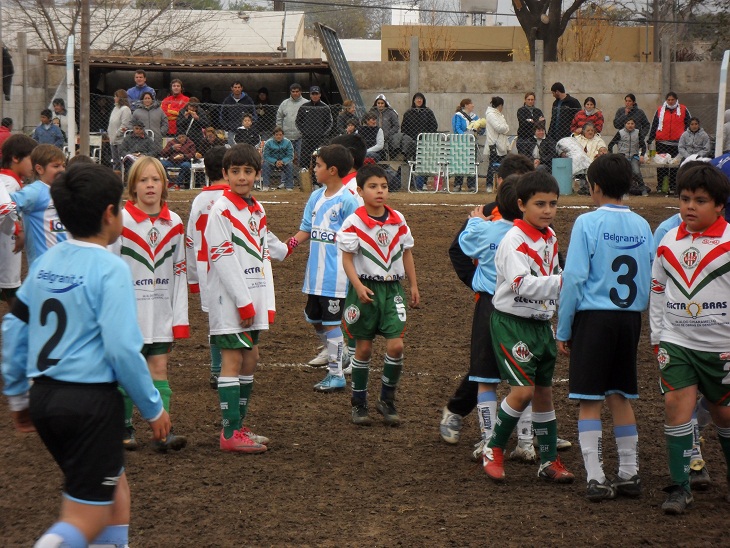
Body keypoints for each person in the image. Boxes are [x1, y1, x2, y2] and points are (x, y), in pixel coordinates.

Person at [1, 162, 171, 547]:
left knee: (114, 494)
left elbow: (13, 326)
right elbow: (122, 350)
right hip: (89, 403)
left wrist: (18, 397)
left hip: (45, 398)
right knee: (85, 518)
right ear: (110, 213)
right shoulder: (110, 268)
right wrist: (152, 407)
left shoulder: (46, 261)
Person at [556, 154, 653, 502]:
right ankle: (629, 473)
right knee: (621, 395)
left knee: (589, 399)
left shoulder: (587, 222)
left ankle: (596, 477)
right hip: (629, 320)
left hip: (595, 318)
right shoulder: (643, 225)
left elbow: (574, 278)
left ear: (594, 187)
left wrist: (564, 328)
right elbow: (649, 274)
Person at [483, 170, 574, 485]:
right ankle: (493, 448)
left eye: (553, 203)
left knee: (544, 394)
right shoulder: (514, 240)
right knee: (522, 392)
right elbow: (520, 284)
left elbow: (554, 276)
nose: (548, 210)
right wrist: (564, 282)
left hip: (541, 325)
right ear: (521, 204)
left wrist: (563, 315)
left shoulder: (550, 237)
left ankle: (549, 460)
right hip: (513, 324)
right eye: (540, 204)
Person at [649, 163, 730, 514]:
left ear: (720, 205)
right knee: (675, 407)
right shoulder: (668, 240)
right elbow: (657, 289)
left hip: (721, 347)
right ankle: (680, 488)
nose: (690, 206)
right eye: (684, 199)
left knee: (724, 415)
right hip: (677, 341)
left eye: (700, 200)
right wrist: (657, 335)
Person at [110, 156, 189, 452]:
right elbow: (110, 267)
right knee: (125, 372)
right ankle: (123, 428)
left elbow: (180, 270)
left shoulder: (175, 223)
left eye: (155, 179)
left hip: (161, 312)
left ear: (164, 184)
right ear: (132, 186)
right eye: (143, 180)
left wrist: (179, 316)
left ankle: (162, 433)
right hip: (129, 314)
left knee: (159, 369)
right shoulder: (121, 220)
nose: (150, 185)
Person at [458, 176, 537, 469]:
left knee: (485, 378)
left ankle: (489, 440)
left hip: (491, 307)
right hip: (525, 307)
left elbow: (465, 244)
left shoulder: (487, 230)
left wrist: (475, 221)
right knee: (524, 377)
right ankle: (526, 442)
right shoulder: (536, 236)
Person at [205, 144, 276, 453]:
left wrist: (264, 302)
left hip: (252, 297)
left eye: (248, 171)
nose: (242, 177)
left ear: (257, 174)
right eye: (235, 171)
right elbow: (222, 257)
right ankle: (230, 432)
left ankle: (239, 426)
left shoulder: (257, 210)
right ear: (225, 174)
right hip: (230, 300)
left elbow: (263, 254)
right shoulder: (220, 210)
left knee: (251, 358)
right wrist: (243, 301)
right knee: (233, 360)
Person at [338, 163, 420, 425]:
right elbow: (347, 259)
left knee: (396, 346)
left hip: (393, 289)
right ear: (360, 191)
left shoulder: (398, 219)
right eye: (373, 186)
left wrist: (413, 285)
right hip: (365, 289)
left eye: (383, 186)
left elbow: (407, 253)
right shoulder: (353, 222)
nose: (380, 191)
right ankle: (359, 402)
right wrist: (357, 286)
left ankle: (387, 399)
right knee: (363, 349)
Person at [286, 144, 359, 390]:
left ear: (333, 170)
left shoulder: (348, 201)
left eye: (318, 165)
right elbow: (306, 228)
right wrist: (288, 246)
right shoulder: (315, 197)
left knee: (331, 323)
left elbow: (358, 237)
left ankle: (336, 375)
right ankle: (339, 352)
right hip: (314, 274)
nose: (314, 169)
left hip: (336, 276)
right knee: (314, 318)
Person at [187, 147, 229, 390]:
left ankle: (216, 369)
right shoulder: (232, 199)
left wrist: (193, 278)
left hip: (206, 268)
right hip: (232, 267)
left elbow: (190, 240)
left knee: (215, 319)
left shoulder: (199, 201)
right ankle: (233, 367)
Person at [11, 144, 67, 267]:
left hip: (65, 261)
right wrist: (17, 229)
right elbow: (7, 205)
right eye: (56, 166)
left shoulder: (62, 190)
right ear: (39, 169)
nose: (62, 170)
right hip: (43, 265)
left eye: (63, 165)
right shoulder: (35, 192)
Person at [0, 135, 36, 310]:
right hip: (5, 246)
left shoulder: (11, 181)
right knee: (11, 289)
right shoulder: (8, 183)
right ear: (15, 158)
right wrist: (17, 229)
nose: (35, 165)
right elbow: (4, 209)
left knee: (10, 289)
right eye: (31, 159)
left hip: (7, 246)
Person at [648, 91, 691, 193]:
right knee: (661, 164)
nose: (670, 101)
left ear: (676, 100)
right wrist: (650, 138)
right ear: (666, 100)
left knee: (675, 165)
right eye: (668, 100)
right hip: (662, 143)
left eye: (672, 100)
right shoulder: (660, 110)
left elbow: (688, 124)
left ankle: (672, 186)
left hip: (677, 143)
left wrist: (686, 138)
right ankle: (660, 186)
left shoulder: (683, 109)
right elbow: (654, 124)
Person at [608, 117, 649, 196]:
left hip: (634, 156)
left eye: (632, 124)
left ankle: (643, 189)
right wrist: (611, 155)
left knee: (636, 172)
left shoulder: (638, 133)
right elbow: (610, 145)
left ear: (635, 125)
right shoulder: (620, 133)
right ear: (625, 124)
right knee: (622, 173)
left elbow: (643, 146)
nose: (630, 125)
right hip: (623, 156)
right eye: (628, 123)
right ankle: (623, 191)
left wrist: (642, 155)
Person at [295, 86, 333, 171]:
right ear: (310, 95)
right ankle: (305, 178)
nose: (315, 96)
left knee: (319, 159)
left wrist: (322, 133)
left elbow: (330, 123)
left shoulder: (325, 107)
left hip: (320, 140)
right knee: (304, 160)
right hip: (306, 139)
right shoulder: (304, 106)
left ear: (320, 95)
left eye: (316, 94)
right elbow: (298, 121)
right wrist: (304, 132)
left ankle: (317, 179)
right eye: (313, 94)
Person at [451, 98, 479, 192]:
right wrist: (464, 137)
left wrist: (479, 128)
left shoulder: (474, 117)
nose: (473, 105)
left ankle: (471, 185)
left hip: (472, 143)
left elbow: (480, 128)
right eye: (471, 104)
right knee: (460, 162)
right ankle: (458, 184)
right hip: (461, 143)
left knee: (471, 162)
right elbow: (457, 128)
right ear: (466, 105)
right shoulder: (458, 116)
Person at [485, 96, 510, 192]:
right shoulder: (491, 114)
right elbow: (498, 127)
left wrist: (505, 128)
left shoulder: (499, 115)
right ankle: (489, 185)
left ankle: (501, 185)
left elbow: (503, 127)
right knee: (492, 165)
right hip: (494, 143)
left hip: (501, 143)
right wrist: (506, 128)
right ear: (500, 106)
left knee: (502, 165)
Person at [276, 83, 306, 163]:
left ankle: (301, 171)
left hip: (301, 136)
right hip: (287, 136)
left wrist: (306, 132)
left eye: (297, 91)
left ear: (300, 92)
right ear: (290, 92)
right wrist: (279, 132)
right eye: (293, 91)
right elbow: (279, 118)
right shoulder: (284, 103)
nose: (295, 93)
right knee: (286, 158)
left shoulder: (306, 103)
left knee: (301, 158)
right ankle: (286, 172)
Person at [220, 81, 255, 145]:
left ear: (242, 88)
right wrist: (228, 127)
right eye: (235, 87)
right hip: (232, 131)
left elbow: (254, 114)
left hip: (245, 131)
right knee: (233, 148)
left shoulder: (248, 100)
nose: (237, 89)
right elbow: (222, 116)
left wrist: (249, 126)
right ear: (232, 88)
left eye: (239, 87)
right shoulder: (227, 100)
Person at [261, 126, 294, 191]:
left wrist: (283, 161)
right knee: (265, 165)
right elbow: (266, 156)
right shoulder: (268, 143)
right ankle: (266, 186)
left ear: (283, 135)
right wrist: (275, 161)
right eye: (276, 135)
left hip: (284, 162)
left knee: (290, 165)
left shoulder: (288, 142)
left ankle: (289, 186)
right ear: (273, 135)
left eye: (280, 135)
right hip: (271, 163)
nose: (278, 136)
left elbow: (290, 156)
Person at [108, 89, 133, 172]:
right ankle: (116, 176)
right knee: (115, 161)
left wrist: (117, 134)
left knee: (122, 161)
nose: (114, 98)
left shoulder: (125, 109)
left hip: (121, 140)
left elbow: (125, 124)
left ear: (121, 97)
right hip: (112, 140)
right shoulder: (115, 108)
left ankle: (124, 177)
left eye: (116, 96)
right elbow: (111, 123)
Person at [516, 92, 545, 156]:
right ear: (525, 100)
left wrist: (531, 121)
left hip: (535, 138)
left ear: (534, 100)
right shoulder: (521, 110)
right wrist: (537, 121)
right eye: (528, 99)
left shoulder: (538, 111)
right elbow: (523, 123)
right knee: (523, 157)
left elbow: (543, 123)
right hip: (523, 138)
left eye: (532, 99)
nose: (530, 101)